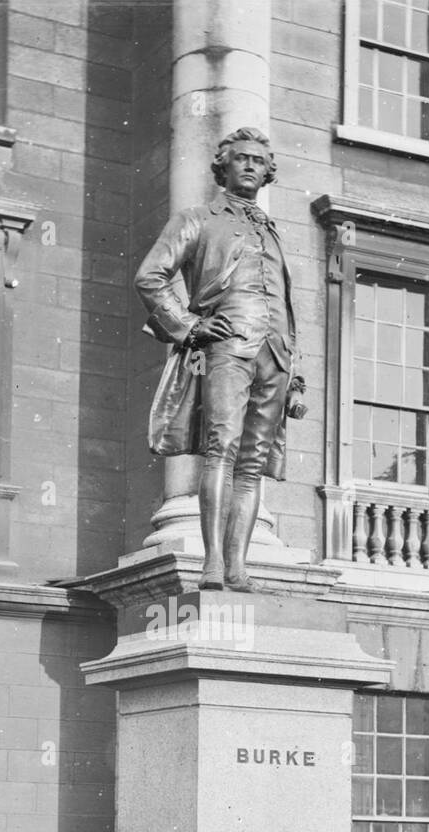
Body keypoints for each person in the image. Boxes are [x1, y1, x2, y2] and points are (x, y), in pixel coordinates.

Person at [135, 127, 301, 592]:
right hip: (228, 348)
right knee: (221, 450)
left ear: (269, 172)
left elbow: (284, 303)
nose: (250, 165)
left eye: (258, 161)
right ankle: (212, 564)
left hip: (275, 355)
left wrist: (297, 369)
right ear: (222, 166)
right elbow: (150, 276)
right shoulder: (198, 219)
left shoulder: (272, 232)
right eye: (241, 158)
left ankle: (238, 566)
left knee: (253, 464)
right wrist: (189, 326)